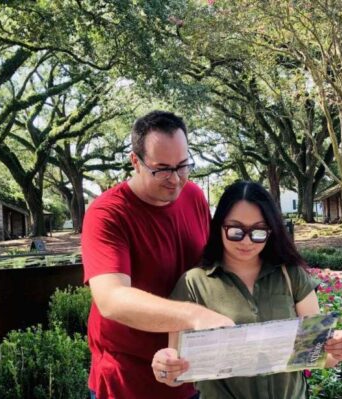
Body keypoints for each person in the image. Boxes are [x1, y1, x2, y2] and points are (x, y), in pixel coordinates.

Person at [151, 181, 342, 399]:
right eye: (236, 231)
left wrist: (339, 348)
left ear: (271, 230)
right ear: (219, 226)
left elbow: (318, 354)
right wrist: (166, 365)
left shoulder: (291, 275)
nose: (247, 241)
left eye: (258, 232)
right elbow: (175, 374)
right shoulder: (193, 283)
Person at [82, 111, 235, 399]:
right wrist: (195, 316)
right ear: (135, 162)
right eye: (162, 169)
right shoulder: (107, 214)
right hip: (126, 382)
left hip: (185, 373)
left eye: (183, 166)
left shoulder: (194, 196)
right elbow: (111, 300)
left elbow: (211, 269)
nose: (175, 180)